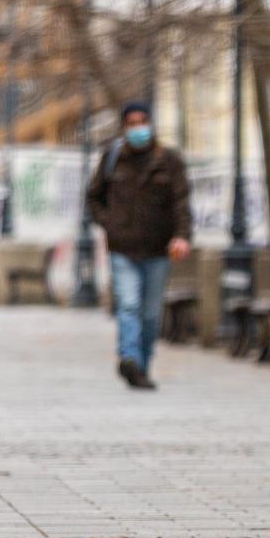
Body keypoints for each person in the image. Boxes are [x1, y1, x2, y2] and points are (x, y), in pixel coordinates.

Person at [85, 101, 192, 390]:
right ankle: (129, 358)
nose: (138, 128)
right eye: (132, 123)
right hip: (123, 247)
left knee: (150, 312)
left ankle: (142, 366)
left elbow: (182, 203)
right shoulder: (113, 158)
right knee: (129, 305)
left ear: (151, 124)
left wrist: (182, 236)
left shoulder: (168, 160)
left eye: (142, 121)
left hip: (159, 249)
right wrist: (109, 223)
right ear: (124, 127)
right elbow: (93, 197)